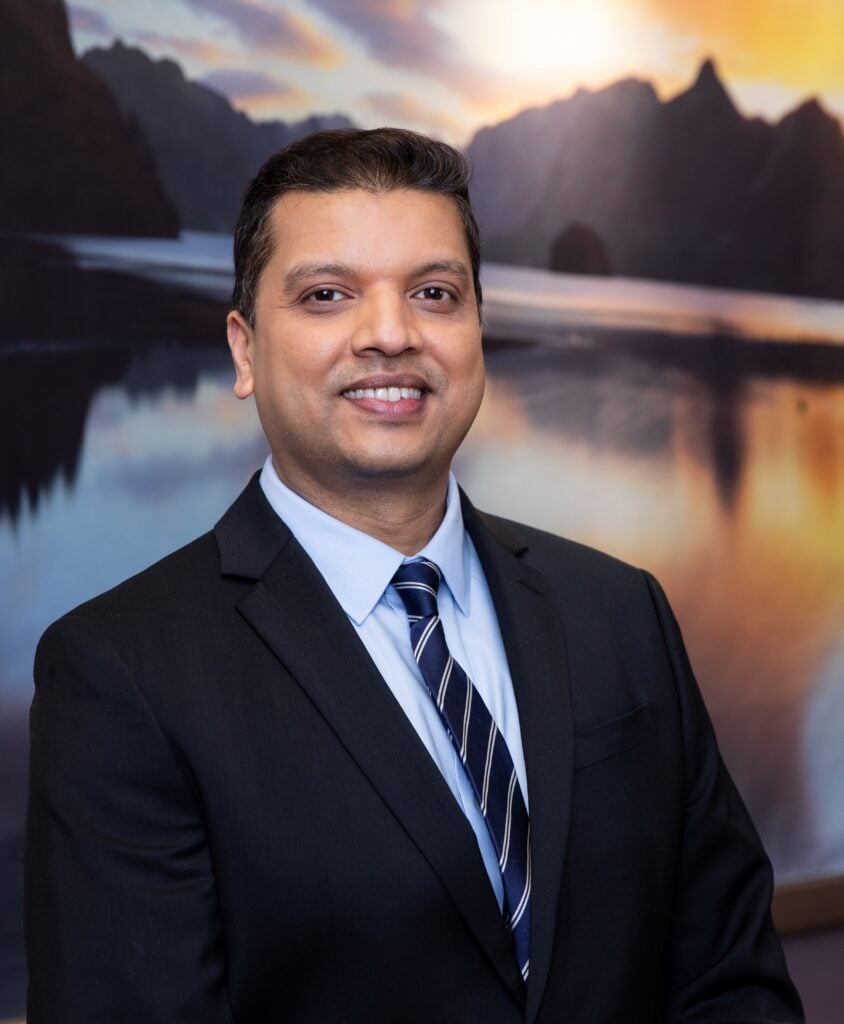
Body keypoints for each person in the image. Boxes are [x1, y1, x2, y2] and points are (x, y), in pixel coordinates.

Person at [25, 127, 803, 1023]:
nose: (391, 334)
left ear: (476, 331)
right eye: (327, 295)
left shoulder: (621, 613)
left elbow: (731, 983)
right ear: (244, 350)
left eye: (435, 293)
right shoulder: (122, 675)